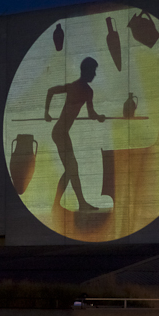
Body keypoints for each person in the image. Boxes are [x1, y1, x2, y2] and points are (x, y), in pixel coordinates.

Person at [44, 57, 106, 211]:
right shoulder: (72, 87)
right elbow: (50, 91)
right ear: (86, 71)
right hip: (59, 132)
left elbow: (91, 113)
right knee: (72, 168)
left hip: (63, 133)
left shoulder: (88, 92)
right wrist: (46, 112)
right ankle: (74, 204)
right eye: (93, 71)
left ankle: (72, 203)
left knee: (71, 169)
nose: (95, 75)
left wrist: (98, 117)